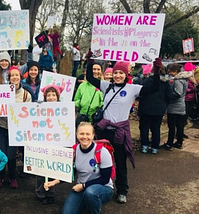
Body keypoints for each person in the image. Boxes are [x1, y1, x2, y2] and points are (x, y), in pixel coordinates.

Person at [86, 58, 162, 203]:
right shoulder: (106, 86)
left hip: (119, 132)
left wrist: (156, 71)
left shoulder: (132, 88)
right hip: (103, 131)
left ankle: (122, 190)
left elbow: (154, 88)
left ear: (126, 74)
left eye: (121, 73)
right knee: (99, 161)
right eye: (115, 73)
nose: (118, 75)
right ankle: (99, 186)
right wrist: (90, 60)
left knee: (120, 161)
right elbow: (90, 77)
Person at [45, 122, 113, 214]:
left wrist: (83, 186)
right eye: (81, 133)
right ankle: (88, 201)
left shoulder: (102, 152)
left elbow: (105, 179)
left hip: (102, 188)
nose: (84, 137)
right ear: (77, 135)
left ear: (93, 136)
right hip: (81, 187)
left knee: (90, 193)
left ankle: (93, 209)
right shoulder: (74, 151)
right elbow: (71, 172)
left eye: (88, 134)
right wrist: (54, 182)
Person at [0, 67, 33, 189]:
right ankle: (0, 176)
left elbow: (29, 113)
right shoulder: (0, 91)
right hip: (0, 126)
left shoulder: (26, 94)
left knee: (11, 155)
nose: (15, 78)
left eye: (17, 75)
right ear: (9, 78)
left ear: (20, 77)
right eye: (12, 76)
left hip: (15, 129)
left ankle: (12, 177)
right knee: (0, 153)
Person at [35, 84, 64, 205]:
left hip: (56, 142)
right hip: (42, 141)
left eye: (53, 95)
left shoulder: (63, 109)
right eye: (49, 95)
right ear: (45, 96)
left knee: (53, 168)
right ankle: (40, 192)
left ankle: (50, 191)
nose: (51, 97)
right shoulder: (40, 107)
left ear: (57, 97)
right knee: (41, 169)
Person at [138, 64, 172, 154]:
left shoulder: (147, 81)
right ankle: (154, 147)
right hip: (159, 109)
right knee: (156, 128)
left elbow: (141, 93)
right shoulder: (166, 83)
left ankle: (144, 146)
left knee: (144, 127)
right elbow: (169, 95)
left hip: (146, 108)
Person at [161, 63, 192, 150]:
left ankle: (169, 143)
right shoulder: (184, 79)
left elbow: (178, 93)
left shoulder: (178, 81)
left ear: (175, 71)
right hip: (181, 106)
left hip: (175, 107)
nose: (169, 73)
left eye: (170, 71)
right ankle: (179, 142)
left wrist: (168, 94)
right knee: (180, 126)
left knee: (172, 126)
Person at [74, 62, 104, 127]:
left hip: (96, 119)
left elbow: (105, 102)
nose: (96, 71)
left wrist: (98, 106)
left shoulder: (103, 86)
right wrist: (81, 102)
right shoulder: (82, 86)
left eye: (98, 69)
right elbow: (76, 100)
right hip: (82, 118)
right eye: (94, 69)